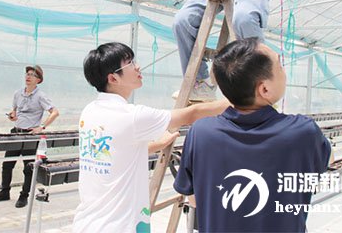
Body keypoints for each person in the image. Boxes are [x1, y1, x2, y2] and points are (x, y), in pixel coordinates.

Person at [174, 38, 332, 233]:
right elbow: (326, 160)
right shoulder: (302, 132)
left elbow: (193, 198)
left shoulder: (201, 133)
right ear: (264, 89)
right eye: (279, 65)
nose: (284, 71)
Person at [73, 42, 230, 233]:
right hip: (120, 226)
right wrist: (239, 98)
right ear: (113, 78)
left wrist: (157, 144)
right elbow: (192, 114)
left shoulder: (90, 111)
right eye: (129, 64)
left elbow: (116, 150)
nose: (137, 67)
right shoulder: (132, 116)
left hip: (87, 223)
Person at [0, 65, 59, 208]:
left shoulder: (41, 96)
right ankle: (4, 192)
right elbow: (14, 111)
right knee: (7, 165)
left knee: (28, 168)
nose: (28, 76)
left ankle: (24, 195)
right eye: (27, 74)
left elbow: (55, 112)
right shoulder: (18, 94)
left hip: (30, 136)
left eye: (32, 75)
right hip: (16, 133)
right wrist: (12, 115)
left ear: (38, 80)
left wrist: (42, 127)